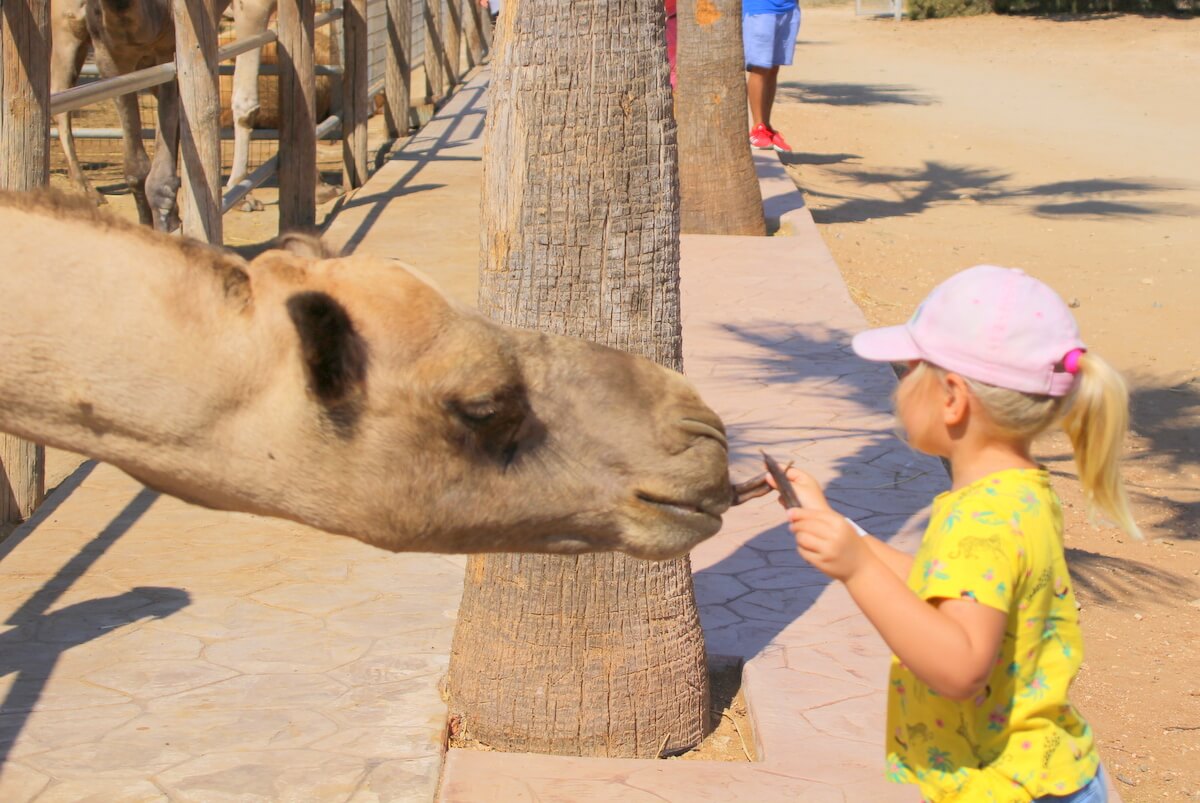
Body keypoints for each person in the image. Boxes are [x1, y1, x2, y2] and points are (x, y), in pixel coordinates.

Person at [771, 265, 1134, 802]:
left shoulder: (980, 520)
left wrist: (857, 568)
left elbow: (961, 668)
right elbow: (951, 589)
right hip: (1045, 775)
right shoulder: (1017, 493)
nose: (896, 392)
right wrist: (844, 529)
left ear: (952, 398)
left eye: (905, 372)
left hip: (1010, 789)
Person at [743, 0, 801, 153]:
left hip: (789, 8)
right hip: (760, 8)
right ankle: (757, 127)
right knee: (760, 67)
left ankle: (766, 126)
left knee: (773, 67)